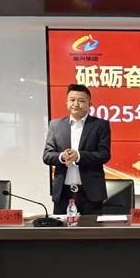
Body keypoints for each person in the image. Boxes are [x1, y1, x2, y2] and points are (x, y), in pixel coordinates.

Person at [43, 84, 111, 214]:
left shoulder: (100, 125)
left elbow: (104, 154)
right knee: (61, 227)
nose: (76, 104)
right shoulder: (55, 125)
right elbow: (47, 155)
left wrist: (78, 156)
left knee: (91, 227)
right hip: (63, 192)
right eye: (72, 100)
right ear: (66, 102)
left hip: (90, 193)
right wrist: (62, 156)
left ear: (90, 104)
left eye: (81, 100)